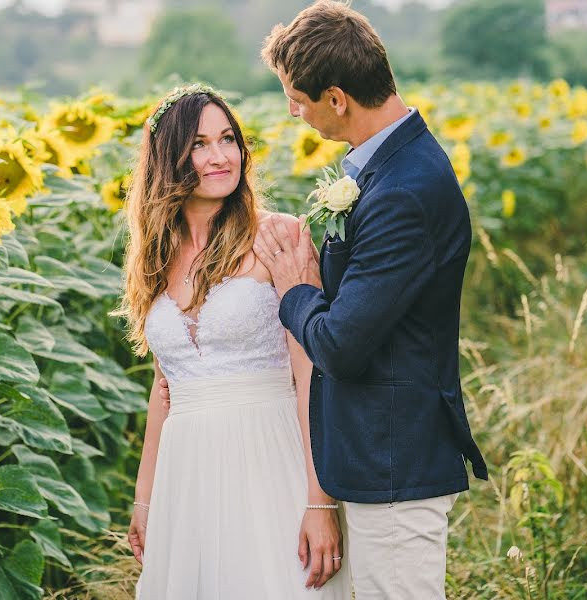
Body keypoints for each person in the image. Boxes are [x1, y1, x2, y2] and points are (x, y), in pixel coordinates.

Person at [159, 2, 488, 597]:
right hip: (371, 458)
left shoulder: (404, 191)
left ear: (336, 98)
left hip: (393, 458)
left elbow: (339, 343)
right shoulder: (385, 170)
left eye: (298, 97)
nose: (292, 111)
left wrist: (296, 289)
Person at [116, 83, 351, 599]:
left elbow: (313, 375)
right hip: (187, 474)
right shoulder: (152, 258)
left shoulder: (279, 236)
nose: (220, 156)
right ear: (168, 160)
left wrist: (320, 500)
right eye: (199, 144)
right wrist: (145, 499)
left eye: (228, 139)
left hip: (271, 458)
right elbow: (164, 390)